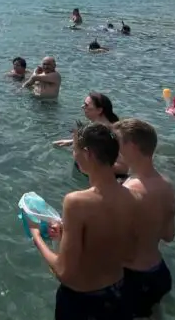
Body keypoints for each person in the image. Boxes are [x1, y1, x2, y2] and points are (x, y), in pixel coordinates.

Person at [29, 123, 138, 319]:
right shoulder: (133, 196)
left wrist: (36, 236)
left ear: (87, 154)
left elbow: (64, 272)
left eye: (75, 150)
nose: (74, 155)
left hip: (82, 302)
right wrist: (66, 234)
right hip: (119, 293)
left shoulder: (76, 202)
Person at [115, 119, 175, 318]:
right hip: (159, 273)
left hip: (133, 278)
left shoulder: (129, 189)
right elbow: (168, 236)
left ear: (132, 146)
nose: (115, 149)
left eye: (118, 143)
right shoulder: (166, 185)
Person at [54, 92, 128, 180]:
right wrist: (72, 142)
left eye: (86, 105)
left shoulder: (111, 133)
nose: (82, 107)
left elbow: (123, 168)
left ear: (99, 110)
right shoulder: (95, 126)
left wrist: (91, 166)